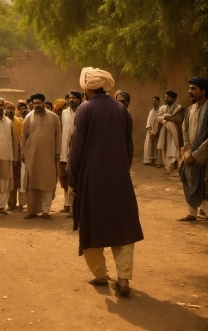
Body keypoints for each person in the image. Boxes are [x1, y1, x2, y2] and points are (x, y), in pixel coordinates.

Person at [68, 67, 143, 296]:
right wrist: (122, 169)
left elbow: (77, 148)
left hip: (91, 179)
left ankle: (101, 275)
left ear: (87, 89)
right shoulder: (122, 109)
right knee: (123, 227)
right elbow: (129, 148)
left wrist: (73, 181)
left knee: (91, 226)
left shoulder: (85, 109)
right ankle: (123, 280)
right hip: (120, 178)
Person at [21, 93, 61, 220]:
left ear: (44, 103)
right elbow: (24, 137)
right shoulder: (28, 117)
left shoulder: (54, 117)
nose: (37, 105)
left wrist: (57, 153)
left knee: (47, 184)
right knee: (32, 183)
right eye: (34, 103)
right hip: (32, 155)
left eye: (39, 103)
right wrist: (23, 153)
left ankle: (45, 211)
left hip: (49, 155)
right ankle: (32, 211)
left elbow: (58, 136)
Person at [179, 77, 208, 221]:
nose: (190, 91)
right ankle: (192, 213)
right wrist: (188, 152)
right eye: (190, 88)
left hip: (205, 155)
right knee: (189, 179)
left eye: (193, 88)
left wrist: (197, 155)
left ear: (203, 91)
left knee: (205, 183)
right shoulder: (190, 110)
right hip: (191, 154)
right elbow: (185, 131)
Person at [59, 90, 82, 213]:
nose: (71, 100)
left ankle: (75, 206)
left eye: (74, 98)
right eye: (70, 98)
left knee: (77, 178)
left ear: (79, 99)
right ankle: (66, 204)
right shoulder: (64, 113)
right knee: (66, 178)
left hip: (77, 150)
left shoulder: (83, 112)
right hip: (64, 150)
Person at [153, 90, 184, 174]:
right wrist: (167, 117)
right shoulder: (163, 108)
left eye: (168, 97)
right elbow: (158, 117)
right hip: (165, 132)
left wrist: (165, 117)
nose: (166, 99)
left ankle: (175, 166)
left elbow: (179, 118)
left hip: (175, 133)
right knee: (166, 149)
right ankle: (168, 167)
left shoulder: (178, 108)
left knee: (174, 148)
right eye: (165, 97)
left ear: (173, 99)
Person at [5, 101, 24, 211]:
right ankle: (10, 202)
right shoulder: (3, 122)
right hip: (7, 153)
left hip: (18, 152)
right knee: (9, 179)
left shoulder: (20, 122)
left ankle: (19, 202)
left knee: (18, 178)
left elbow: (21, 138)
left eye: (12, 109)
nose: (10, 111)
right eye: (8, 109)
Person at [143, 96, 162, 166]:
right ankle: (151, 160)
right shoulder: (151, 112)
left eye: (156, 101)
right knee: (150, 145)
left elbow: (161, 121)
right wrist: (151, 131)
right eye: (153, 101)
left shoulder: (161, 111)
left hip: (158, 131)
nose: (154, 102)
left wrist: (156, 131)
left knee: (158, 146)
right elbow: (149, 122)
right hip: (150, 131)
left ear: (159, 102)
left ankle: (158, 162)